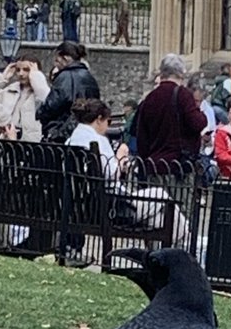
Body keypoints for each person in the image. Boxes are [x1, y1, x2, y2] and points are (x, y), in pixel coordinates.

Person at [66, 97, 191, 250]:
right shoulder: (98, 141)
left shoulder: (71, 141)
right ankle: (183, 245)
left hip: (84, 208)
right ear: (99, 119)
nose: (107, 126)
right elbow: (111, 174)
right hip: (112, 208)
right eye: (108, 121)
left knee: (159, 219)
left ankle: (164, 251)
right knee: (161, 196)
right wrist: (120, 157)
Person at [132, 53, 205, 173]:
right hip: (178, 166)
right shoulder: (183, 95)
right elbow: (197, 123)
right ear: (180, 74)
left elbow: (141, 136)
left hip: (154, 165)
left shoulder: (149, 98)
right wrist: (201, 114)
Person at [37, 41, 99, 142]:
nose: (55, 65)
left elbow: (53, 103)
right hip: (86, 128)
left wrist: (40, 112)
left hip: (61, 130)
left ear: (64, 59)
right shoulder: (89, 77)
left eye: (57, 60)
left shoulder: (64, 76)